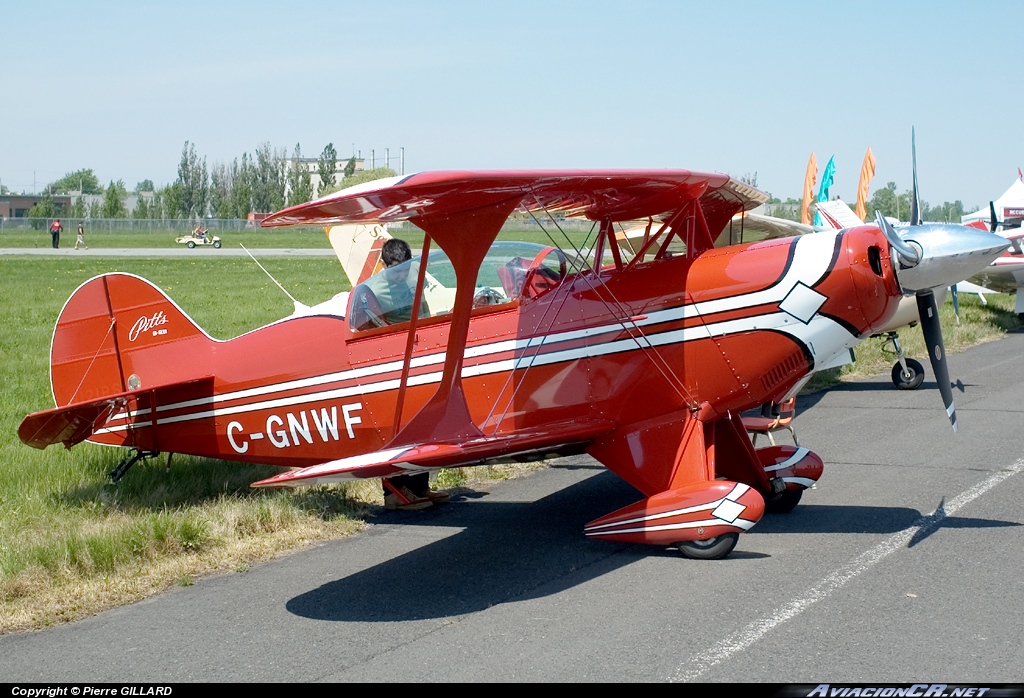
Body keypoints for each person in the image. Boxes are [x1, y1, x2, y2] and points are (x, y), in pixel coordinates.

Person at [356, 239, 449, 511]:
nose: (402, 276)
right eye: (396, 271)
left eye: (406, 269)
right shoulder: (369, 292)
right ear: (384, 265)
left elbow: (426, 316)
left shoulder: (415, 282)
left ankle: (420, 487)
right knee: (398, 429)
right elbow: (366, 330)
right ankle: (394, 493)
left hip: (417, 362)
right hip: (389, 366)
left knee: (422, 426)